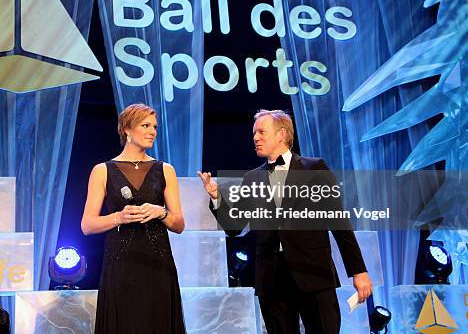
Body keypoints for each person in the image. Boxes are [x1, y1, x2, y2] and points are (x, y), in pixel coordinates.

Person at [198, 109, 372, 334]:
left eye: (261, 132)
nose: (255, 138)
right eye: (254, 133)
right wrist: (216, 198)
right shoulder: (252, 178)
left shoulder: (314, 168)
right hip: (272, 279)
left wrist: (358, 271)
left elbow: (338, 221)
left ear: (281, 135)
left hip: (314, 274)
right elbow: (234, 228)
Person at [81, 103, 186, 334]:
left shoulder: (165, 169)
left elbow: (179, 224)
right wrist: (119, 217)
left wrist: (162, 212)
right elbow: (87, 225)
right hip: (121, 265)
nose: (152, 132)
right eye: (145, 125)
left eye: (155, 127)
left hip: (158, 265)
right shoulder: (103, 170)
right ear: (127, 130)